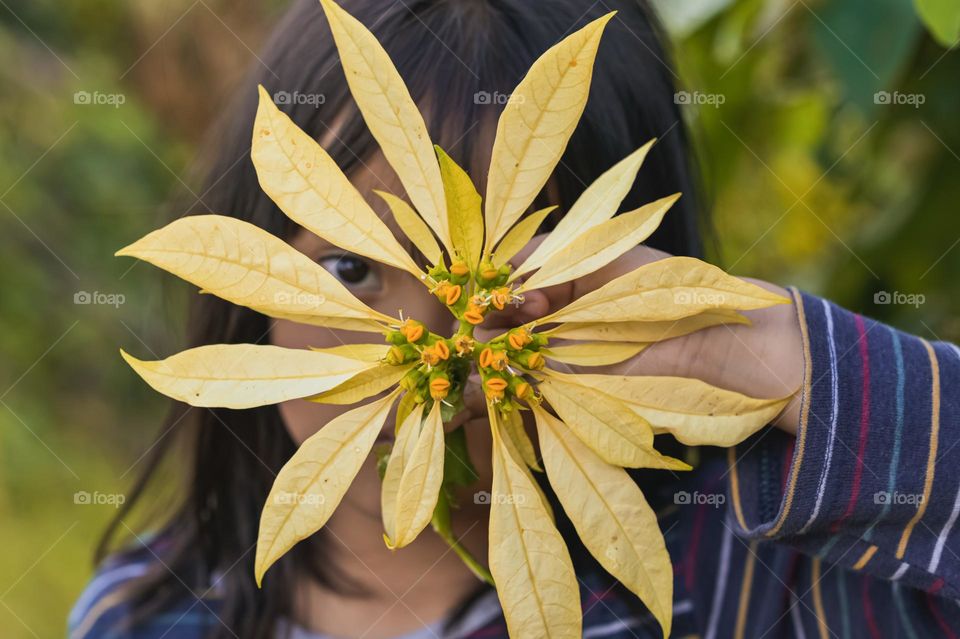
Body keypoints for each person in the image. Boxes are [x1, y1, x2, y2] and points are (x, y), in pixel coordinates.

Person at [68, 1, 960, 637]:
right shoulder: (149, 613)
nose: (451, 363)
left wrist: (745, 345)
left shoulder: (748, 583)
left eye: (511, 290)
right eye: (349, 269)